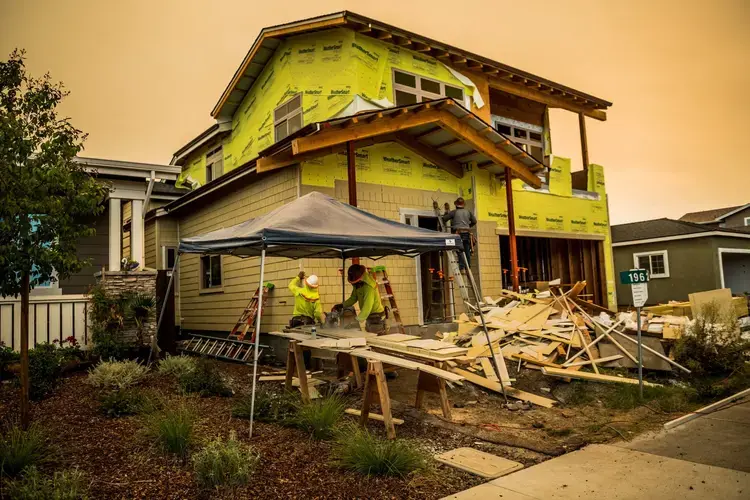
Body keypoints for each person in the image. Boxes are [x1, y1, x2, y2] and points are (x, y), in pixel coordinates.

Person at [335, 264, 386, 334]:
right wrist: (342, 305)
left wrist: (356, 321)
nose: (354, 285)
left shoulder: (369, 287)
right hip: (369, 316)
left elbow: (367, 306)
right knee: (370, 336)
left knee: (376, 339)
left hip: (377, 317)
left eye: (355, 283)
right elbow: (353, 298)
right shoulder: (358, 285)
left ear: (360, 278)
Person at [443, 197, 476, 270]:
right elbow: (474, 221)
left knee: (459, 249)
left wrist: (446, 214)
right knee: (467, 249)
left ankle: (461, 266)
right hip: (467, 233)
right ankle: (468, 265)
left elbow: (444, 219)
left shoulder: (454, 212)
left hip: (458, 233)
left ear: (456, 205)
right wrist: (468, 226)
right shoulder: (468, 212)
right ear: (463, 205)